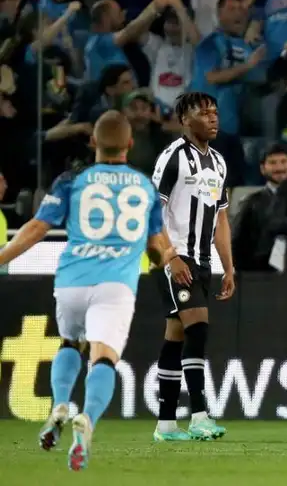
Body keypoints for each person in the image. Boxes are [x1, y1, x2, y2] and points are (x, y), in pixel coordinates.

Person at [0, 111, 172, 471]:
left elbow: (34, 229)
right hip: (115, 285)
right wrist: (162, 261)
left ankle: (60, 404)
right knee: (104, 358)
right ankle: (88, 419)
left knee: (69, 342)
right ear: (130, 144)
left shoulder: (71, 181)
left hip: (71, 282)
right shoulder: (144, 188)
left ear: (93, 142)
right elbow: (158, 247)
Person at [150, 93, 236, 442]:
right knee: (197, 327)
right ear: (185, 119)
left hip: (202, 261)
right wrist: (170, 257)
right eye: (204, 113)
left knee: (177, 335)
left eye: (215, 112)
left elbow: (222, 219)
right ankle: (199, 415)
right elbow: (153, 213)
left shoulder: (218, 162)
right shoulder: (173, 158)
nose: (213, 118)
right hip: (173, 258)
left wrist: (228, 267)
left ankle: (166, 424)